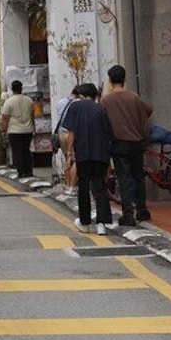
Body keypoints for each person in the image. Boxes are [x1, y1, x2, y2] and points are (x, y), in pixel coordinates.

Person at [100, 65, 152, 226]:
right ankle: (142, 210)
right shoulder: (133, 97)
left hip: (118, 143)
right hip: (136, 142)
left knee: (124, 178)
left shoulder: (106, 100)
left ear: (110, 80)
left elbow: (103, 123)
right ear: (124, 79)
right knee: (138, 176)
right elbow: (147, 112)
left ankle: (128, 214)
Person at [62, 83, 113, 236]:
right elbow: (108, 133)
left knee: (83, 186)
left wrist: (69, 153)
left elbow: (71, 132)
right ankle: (102, 224)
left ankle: (85, 223)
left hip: (83, 153)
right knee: (99, 186)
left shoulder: (75, 107)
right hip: (101, 154)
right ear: (94, 95)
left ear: (81, 95)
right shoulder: (100, 109)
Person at [0, 80, 35, 177]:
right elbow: (32, 116)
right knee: (26, 150)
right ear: (21, 88)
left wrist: (3, 130)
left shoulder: (9, 102)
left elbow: (5, 118)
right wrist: (33, 128)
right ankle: (29, 171)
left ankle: (21, 172)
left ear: (12, 89)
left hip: (14, 131)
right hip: (28, 130)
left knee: (17, 151)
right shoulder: (29, 100)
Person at [54, 87, 80, 195]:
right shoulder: (78, 103)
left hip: (61, 132)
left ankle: (68, 185)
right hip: (72, 133)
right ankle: (73, 186)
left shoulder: (61, 102)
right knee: (76, 159)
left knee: (67, 158)